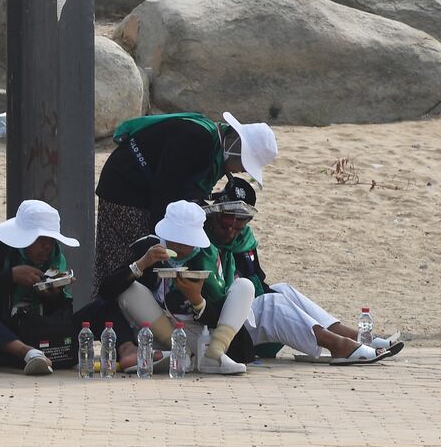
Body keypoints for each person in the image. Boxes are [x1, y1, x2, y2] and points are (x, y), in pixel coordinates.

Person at [205, 178, 397, 362]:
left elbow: (258, 279)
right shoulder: (205, 244)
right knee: (272, 303)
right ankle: (337, 345)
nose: (231, 233)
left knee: (283, 290)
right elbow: (216, 292)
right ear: (216, 215)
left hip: (245, 319)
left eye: (239, 228)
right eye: (226, 225)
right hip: (224, 327)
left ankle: (356, 337)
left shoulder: (242, 241)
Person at [94, 111, 278, 295]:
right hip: (125, 187)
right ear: (236, 148)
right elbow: (164, 189)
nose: (242, 171)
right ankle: (109, 307)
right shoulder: (196, 138)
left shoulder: (213, 148)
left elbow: (187, 192)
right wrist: (160, 236)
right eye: (245, 164)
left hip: (147, 189)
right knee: (130, 256)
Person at [0, 200, 138, 376]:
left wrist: (53, 295)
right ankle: (27, 352)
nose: (47, 248)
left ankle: (128, 351)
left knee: (104, 306)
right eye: (41, 241)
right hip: (4, 338)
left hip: (46, 335)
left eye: (51, 242)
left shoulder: (53, 256)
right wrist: (11, 277)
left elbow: (59, 315)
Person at [97, 200, 255, 375]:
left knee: (245, 286)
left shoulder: (209, 254)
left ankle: (214, 355)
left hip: (203, 337)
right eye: (175, 239)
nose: (179, 247)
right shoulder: (149, 247)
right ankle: (179, 355)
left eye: (186, 241)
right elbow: (106, 291)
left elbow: (218, 315)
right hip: (160, 334)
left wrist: (197, 301)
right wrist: (141, 264)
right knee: (128, 288)